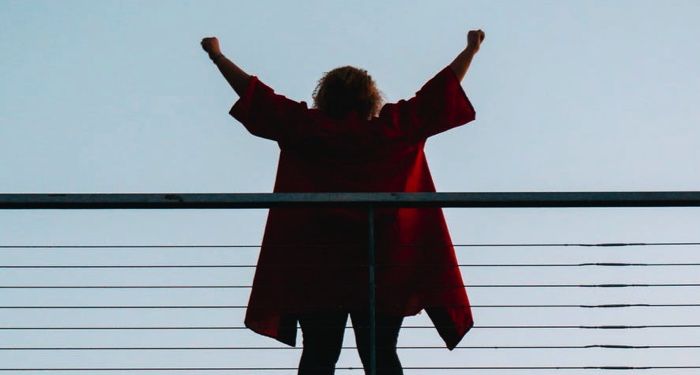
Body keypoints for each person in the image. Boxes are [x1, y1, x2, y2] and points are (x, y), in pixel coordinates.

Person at [201, 29, 485, 375]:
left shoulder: (305, 129)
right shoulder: (394, 131)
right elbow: (438, 95)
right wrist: (470, 51)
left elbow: (256, 97)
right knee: (380, 351)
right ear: (370, 99)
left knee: (319, 353)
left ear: (325, 97)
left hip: (317, 261)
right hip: (384, 261)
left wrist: (217, 57)